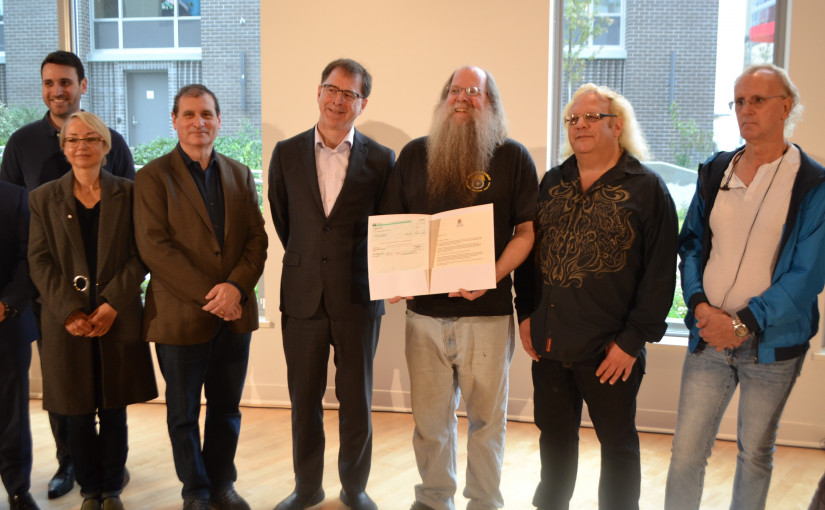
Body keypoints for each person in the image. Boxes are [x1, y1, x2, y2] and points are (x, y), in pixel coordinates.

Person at [665, 64, 825, 510]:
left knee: (754, 455)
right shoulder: (717, 170)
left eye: (757, 100)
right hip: (708, 337)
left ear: (786, 107)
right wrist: (699, 306)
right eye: (738, 101)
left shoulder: (812, 184)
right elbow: (691, 244)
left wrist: (742, 324)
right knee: (685, 453)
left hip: (772, 347)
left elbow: (807, 275)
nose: (745, 110)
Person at [514, 83, 678, 510]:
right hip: (551, 344)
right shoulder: (553, 181)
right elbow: (530, 255)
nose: (580, 125)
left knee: (617, 445)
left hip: (611, 350)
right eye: (573, 118)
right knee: (554, 440)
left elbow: (660, 275)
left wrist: (631, 342)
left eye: (591, 117)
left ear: (616, 126)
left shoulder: (647, 188)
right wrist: (525, 314)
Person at [381, 65, 538, 510]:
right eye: (455, 90)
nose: (463, 98)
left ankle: (484, 502)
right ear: (443, 99)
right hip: (423, 318)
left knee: (487, 422)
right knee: (430, 422)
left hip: (487, 317)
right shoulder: (414, 155)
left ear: (491, 103)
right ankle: (434, 499)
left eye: (474, 90)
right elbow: (395, 226)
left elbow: (526, 232)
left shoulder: (513, 157)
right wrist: (395, 274)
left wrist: (490, 274)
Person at [0, 50, 135, 500]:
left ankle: (108, 476)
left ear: (82, 85)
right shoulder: (21, 144)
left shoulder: (117, 148)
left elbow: (134, 233)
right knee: (66, 395)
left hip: (110, 300)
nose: (57, 91)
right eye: (49, 83)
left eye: (65, 82)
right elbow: (15, 226)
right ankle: (69, 464)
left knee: (111, 395)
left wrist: (114, 298)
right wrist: (54, 302)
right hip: (52, 299)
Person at [268, 59, 394, 510]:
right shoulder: (286, 153)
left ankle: (354, 487)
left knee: (356, 400)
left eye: (349, 94)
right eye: (331, 90)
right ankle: (307, 487)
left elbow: (387, 226)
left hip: (358, 296)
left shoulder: (381, 159)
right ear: (318, 92)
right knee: (304, 400)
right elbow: (284, 220)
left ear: (363, 103)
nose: (338, 101)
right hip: (302, 296)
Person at [134, 84, 267, 510]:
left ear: (219, 120)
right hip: (180, 317)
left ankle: (222, 484)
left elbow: (257, 239)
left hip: (234, 314)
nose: (198, 122)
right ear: (174, 121)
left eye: (207, 114)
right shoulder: (152, 177)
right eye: (189, 114)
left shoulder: (239, 174)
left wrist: (236, 289)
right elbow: (155, 248)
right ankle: (195, 490)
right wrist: (214, 296)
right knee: (183, 413)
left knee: (227, 408)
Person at [27, 111, 157, 510]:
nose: (81, 146)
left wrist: (112, 303)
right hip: (66, 323)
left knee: (114, 407)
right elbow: (39, 261)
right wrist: (68, 310)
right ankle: (89, 491)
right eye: (73, 140)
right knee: (77, 412)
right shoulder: (43, 198)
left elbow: (141, 255)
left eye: (90, 139)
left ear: (105, 146)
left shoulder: (130, 193)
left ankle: (112, 489)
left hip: (116, 317)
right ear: (64, 148)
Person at [0, 181, 39, 510]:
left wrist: (7, 304)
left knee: (12, 414)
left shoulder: (15, 197)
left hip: (7, 323)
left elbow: (30, 259)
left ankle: (17, 489)